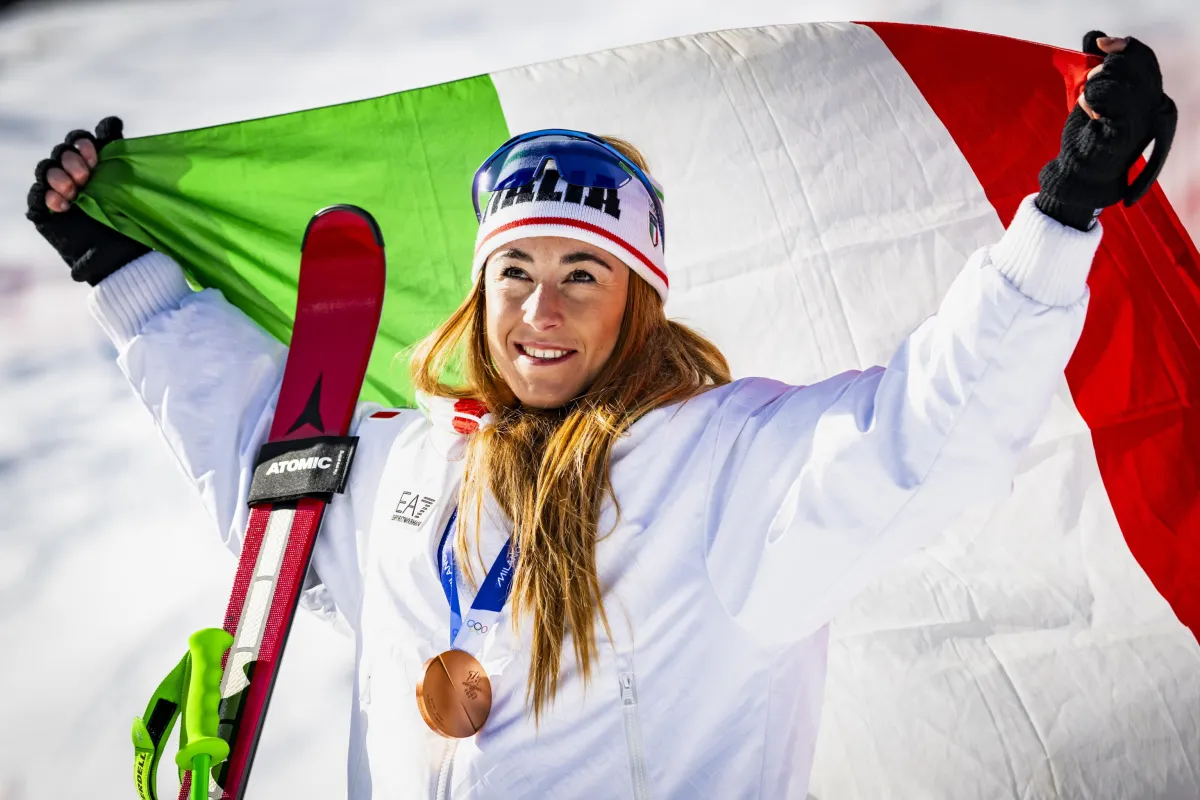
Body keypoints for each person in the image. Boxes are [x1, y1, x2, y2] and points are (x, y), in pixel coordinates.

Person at [26, 31, 1169, 800]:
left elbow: (925, 431)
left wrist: (1059, 216)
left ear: (638, 300)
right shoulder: (404, 465)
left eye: (586, 272)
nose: (542, 307)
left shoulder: (725, 462)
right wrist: (122, 274)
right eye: (517, 268)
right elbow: (264, 487)